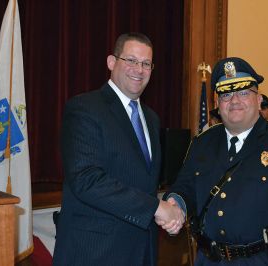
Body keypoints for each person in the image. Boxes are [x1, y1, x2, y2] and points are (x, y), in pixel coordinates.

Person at [164, 57, 268, 265]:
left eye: (243, 92)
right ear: (217, 103)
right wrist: (176, 202)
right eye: (226, 94)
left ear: (259, 100)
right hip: (209, 260)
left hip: (263, 260)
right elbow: (185, 185)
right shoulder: (202, 143)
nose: (235, 101)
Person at [52, 32, 184, 266]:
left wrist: (170, 215)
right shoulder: (84, 108)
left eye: (146, 64)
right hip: (95, 253)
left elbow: (145, 184)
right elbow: (87, 180)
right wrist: (156, 208)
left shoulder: (151, 119)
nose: (139, 69)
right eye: (131, 60)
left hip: (142, 251)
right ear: (111, 62)